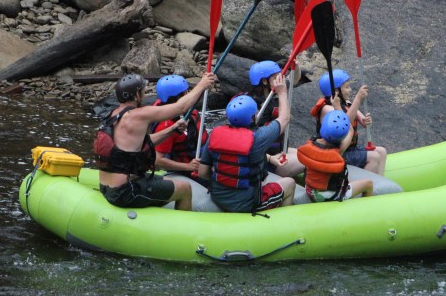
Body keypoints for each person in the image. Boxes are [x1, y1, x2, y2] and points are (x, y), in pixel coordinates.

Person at [93, 72, 216, 210]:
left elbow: (143, 142)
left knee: (166, 181)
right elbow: (180, 108)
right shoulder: (139, 114)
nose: (145, 94)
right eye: (143, 91)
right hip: (125, 192)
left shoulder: (113, 114)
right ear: (137, 95)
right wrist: (202, 85)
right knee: (185, 188)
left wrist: (172, 130)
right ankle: (183, 223)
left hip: (106, 186)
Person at [198, 74, 295, 213]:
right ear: (252, 118)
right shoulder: (259, 137)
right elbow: (284, 118)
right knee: (290, 183)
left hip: (217, 196)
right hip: (247, 203)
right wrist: (282, 92)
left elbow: (202, 173)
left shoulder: (215, 134)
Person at [311, 69, 387, 176]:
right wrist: (358, 99)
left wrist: (366, 121)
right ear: (336, 91)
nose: (350, 90)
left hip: (350, 149)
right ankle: (364, 184)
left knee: (382, 151)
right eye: (347, 87)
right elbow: (344, 124)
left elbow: (364, 123)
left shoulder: (347, 103)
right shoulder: (327, 109)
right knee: (374, 157)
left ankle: (381, 182)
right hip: (336, 152)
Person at [297, 109, 373, 202]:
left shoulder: (310, 143)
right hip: (330, 196)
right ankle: (366, 208)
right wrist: (341, 111)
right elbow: (351, 130)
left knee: (347, 181)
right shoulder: (338, 150)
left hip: (310, 191)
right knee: (369, 184)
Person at [248, 60, 304, 178]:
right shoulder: (253, 105)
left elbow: (294, 79)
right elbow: (249, 143)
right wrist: (270, 158)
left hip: (279, 149)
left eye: (281, 76)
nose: (281, 80)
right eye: (276, 77)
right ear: (264, 81)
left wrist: (296, 66)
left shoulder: (276, 88)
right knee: (307, 160)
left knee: (307, 154)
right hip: (267, 158)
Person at [151, 75, 209, 186]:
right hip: (188, 168)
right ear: (178, 97)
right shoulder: (166, 125)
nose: (189, 94)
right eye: (186, 92)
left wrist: (205, 84)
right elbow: (157, 160)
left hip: (202, 154)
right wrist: (188, 166)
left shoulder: (169, 104)